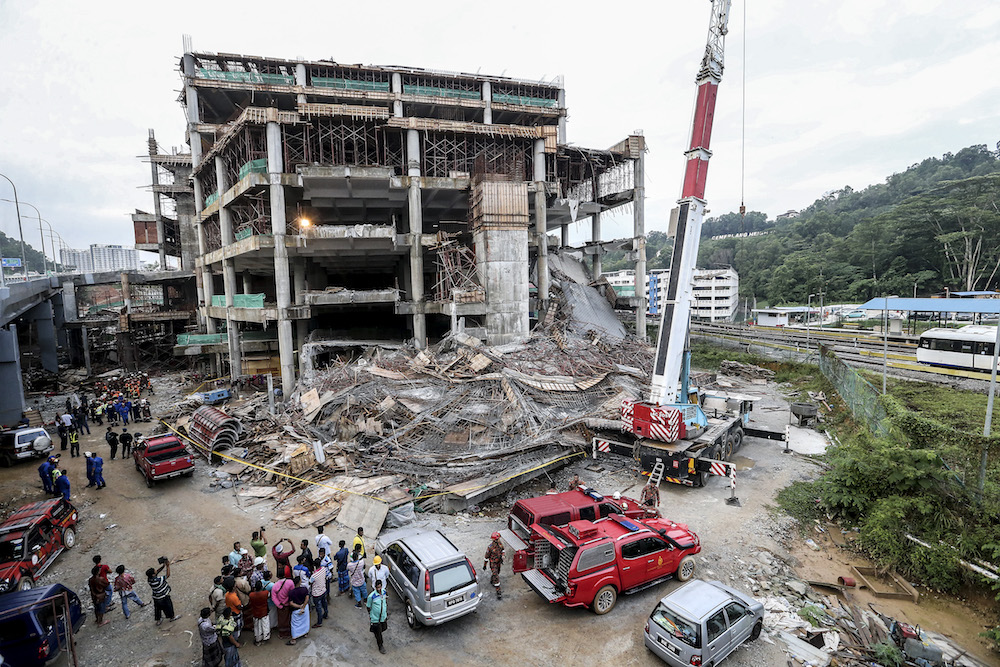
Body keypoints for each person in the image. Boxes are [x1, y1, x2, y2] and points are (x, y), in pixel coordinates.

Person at [146, 557, 181, 626]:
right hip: (163, 596)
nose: (156, 570)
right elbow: (167, 575)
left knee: (157, 609)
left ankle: (158, 620)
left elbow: (156, 572)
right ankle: (172, 617)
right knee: (169, 607)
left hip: (156, 597)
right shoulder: (158, 580)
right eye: (154, 571)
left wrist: (163, 566)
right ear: (153, 574)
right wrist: (167, 566)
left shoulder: (149, 579)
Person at [270, 570, 295, 640]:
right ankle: (289, 633)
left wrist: (279, 605)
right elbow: (292, 593)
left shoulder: (275, 586)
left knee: (281, 619)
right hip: (289, 604)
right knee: (289, 618)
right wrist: (287, 600)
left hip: (280, 606)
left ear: (277, 576)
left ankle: (282, 634)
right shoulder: (290, 582)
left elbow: (273, 597)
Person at [366, 579, 389, 654]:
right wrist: (371, 615)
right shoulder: (371, 596)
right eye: (377, 587)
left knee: (384, 628)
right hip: (375, 618)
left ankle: (375, 631)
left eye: (380, 587)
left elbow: (385, 601)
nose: (379, 589)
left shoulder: (384, 592)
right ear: (375, 587)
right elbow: (368, 606)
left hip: (383, 616)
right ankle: (380, 645)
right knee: (378, 633)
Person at [286, 575, 310, 645]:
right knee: (305, 621)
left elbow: (291, 603)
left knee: (295, 624)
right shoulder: (304, 589)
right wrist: (303, 606)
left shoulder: (291, 592)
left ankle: (294, 639)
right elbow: (307, 598)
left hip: (296, 610)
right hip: (304, 608)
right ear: (300, 582)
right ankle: (305, 633)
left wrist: (299, 607)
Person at [484, 532, 505, 599]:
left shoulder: (500, 544)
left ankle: (492, 580)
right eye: (498, 539)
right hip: (493, 563)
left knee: (497, 572)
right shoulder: (490, 547)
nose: (499, 540)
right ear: (494, 540)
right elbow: (486, 557)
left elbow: (503, 550)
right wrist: (484, 565)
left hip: (498, 562)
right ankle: (498, 591)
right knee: (496, 576)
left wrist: (503, 555)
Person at [248, 581, 270, 646]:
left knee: (257, 627)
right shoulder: (266, 593)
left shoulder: (251, 595)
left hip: (256, 613)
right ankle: (265, 638)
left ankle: (258, 640)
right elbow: (269, 596)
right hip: (264, 612)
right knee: (265, 625)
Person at [309, 558, 328, 627]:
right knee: (324, 603)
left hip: (316, 594)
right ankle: (326, 615)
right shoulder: (323, 569)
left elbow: (310, 582)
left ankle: (319, 622)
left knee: (318, 608)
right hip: (323, 590)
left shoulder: (313, 576)